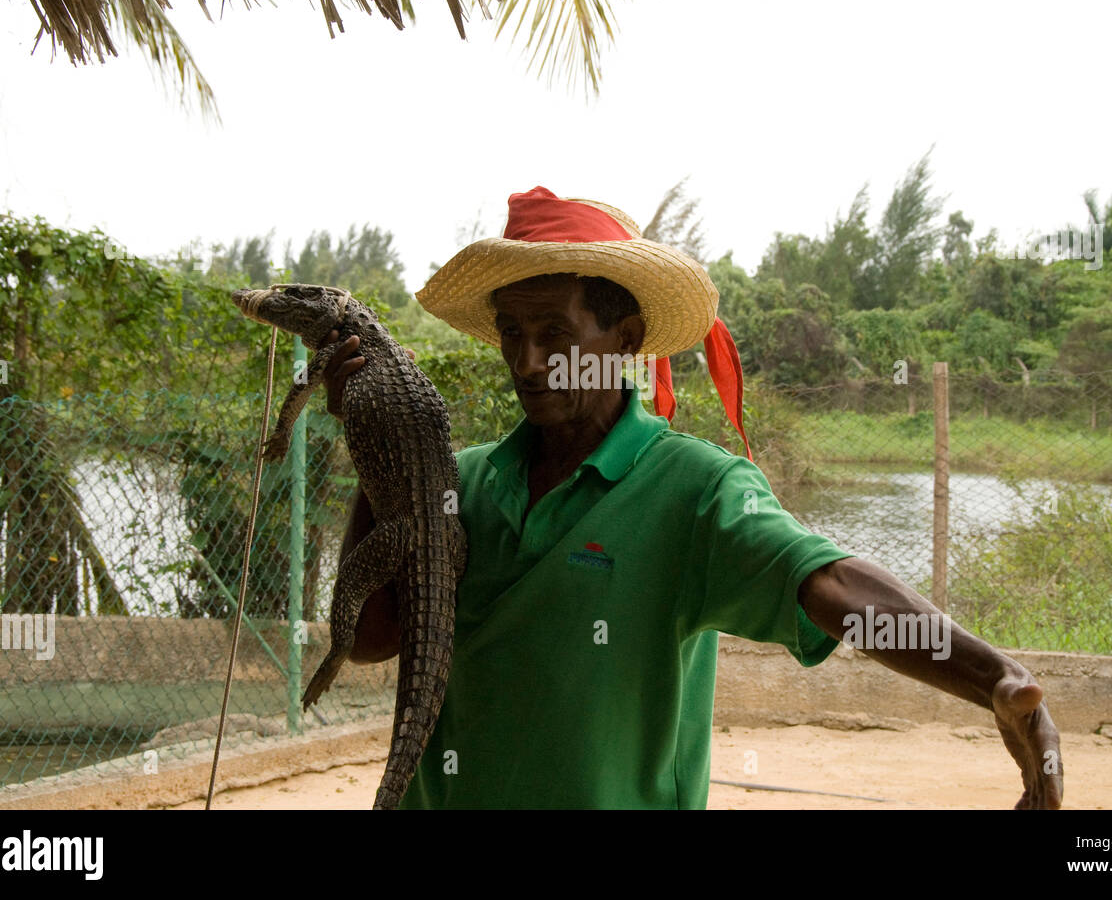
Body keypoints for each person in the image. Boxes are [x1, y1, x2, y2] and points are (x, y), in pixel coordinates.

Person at [321, 185, 1063, 809]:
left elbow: (830, 584)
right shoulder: (461, 482)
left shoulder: (694, 491)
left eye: (556, 332)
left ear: (628, 338)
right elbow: (368, 640)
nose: (527, 360)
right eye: (512, 332)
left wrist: (991, 676)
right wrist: (375, 443)